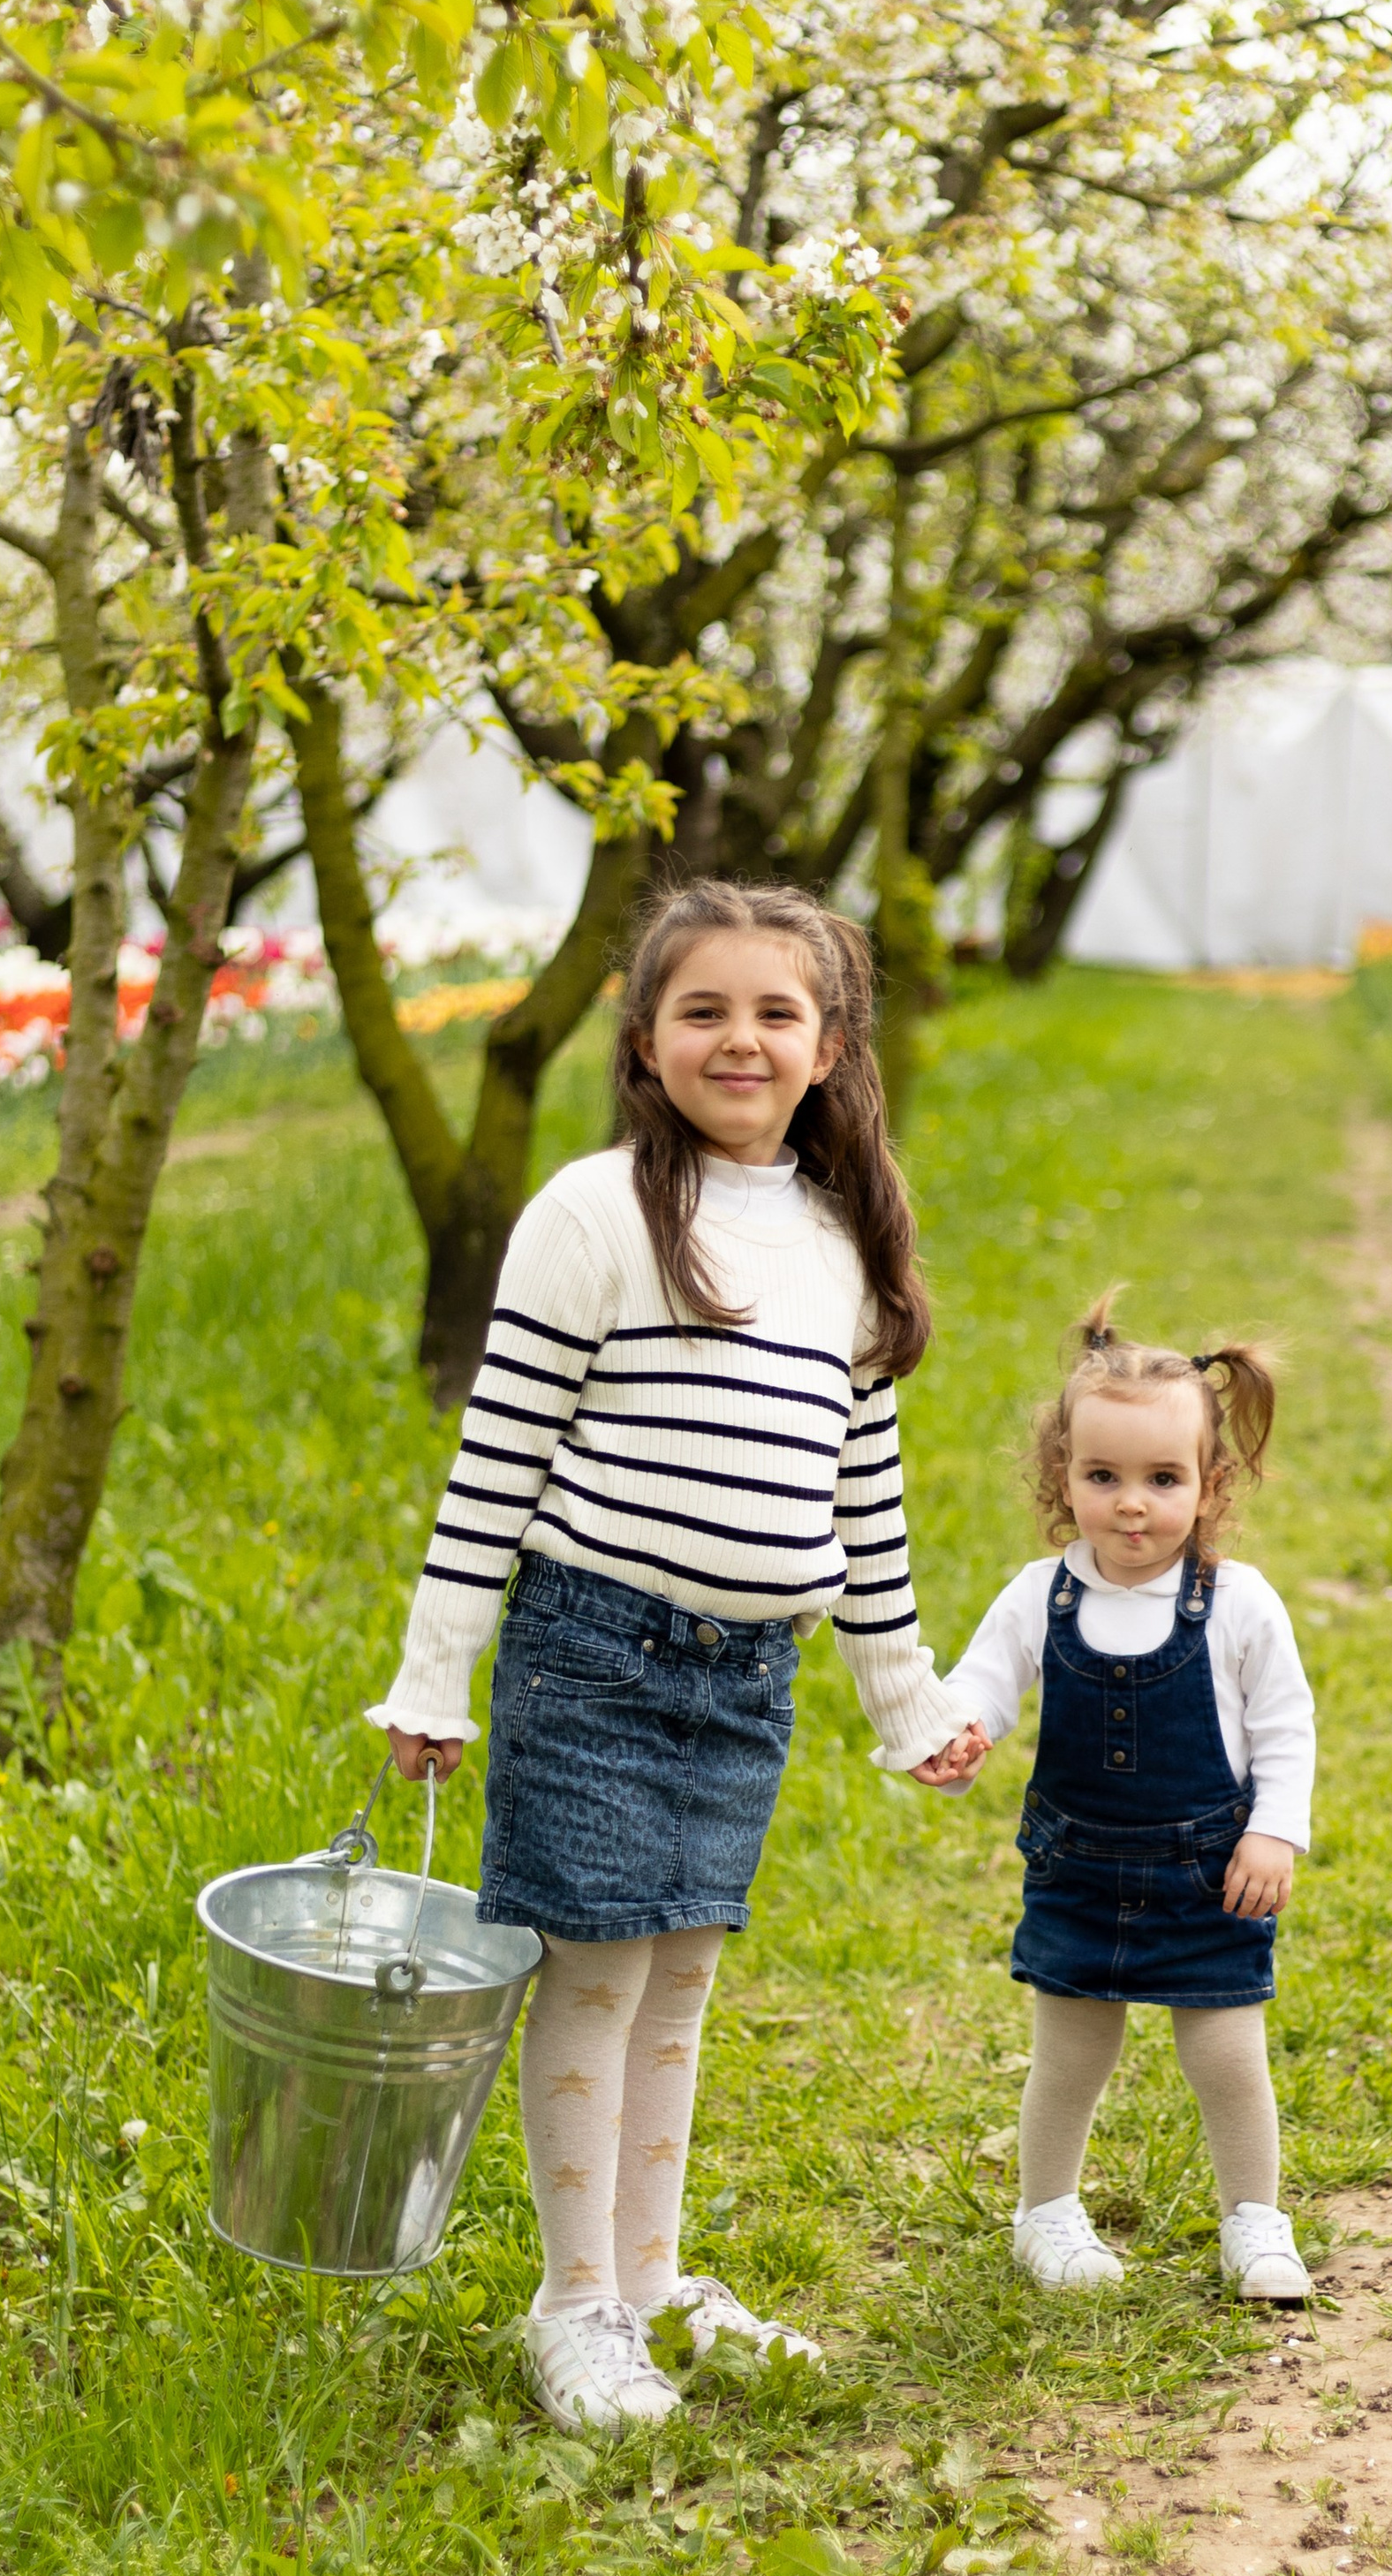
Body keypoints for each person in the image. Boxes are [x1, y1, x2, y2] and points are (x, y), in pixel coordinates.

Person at [375, 880, 986, 2432]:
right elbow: (495, 1463)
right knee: (588, 1977)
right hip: (594, 1656)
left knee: (681, 1977)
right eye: (703, 1008)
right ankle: (572, 2306)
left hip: (748, 1678)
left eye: (778, 1011)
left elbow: (867, 1502)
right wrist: (434, 1674)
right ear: (643, 1042)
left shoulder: (845, 1242)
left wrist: (904, 1700)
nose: (741, 1037)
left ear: (832, 1044)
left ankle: (650, 2282)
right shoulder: (594, 1214)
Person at [940, 1298, 1317, 2304]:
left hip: (1211, 1876)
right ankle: (1047, 2215)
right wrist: (960, 1732)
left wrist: (1276, 1828)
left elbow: (1285, 1726)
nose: (1132, 1504)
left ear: (1209, 1483)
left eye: (1162, 1479)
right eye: (1103, 1477)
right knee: (1070, 2052)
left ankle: (1254, 2220)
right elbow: (983, 1683)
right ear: (1063, 1477)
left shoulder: (1236, 1603)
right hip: (1078, 1871)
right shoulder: (1040, 1594)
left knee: (1228, 2053)